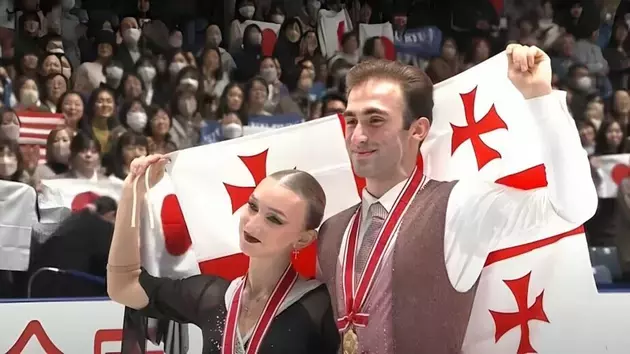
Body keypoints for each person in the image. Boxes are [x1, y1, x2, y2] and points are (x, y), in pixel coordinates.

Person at [316, 44, 598, 353]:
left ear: (418, 130)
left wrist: (540, 97)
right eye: (352, 120)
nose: (357, 136)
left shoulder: (459, 205)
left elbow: (572, 208)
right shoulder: (332, 229)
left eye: (376, 120)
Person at [107, 155, 340, 353]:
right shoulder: (213, 296)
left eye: (274, 219)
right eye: (253, 206)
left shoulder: (321, 307)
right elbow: (124, 286)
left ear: (303, 239)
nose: (253, 223)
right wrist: (132, 195)